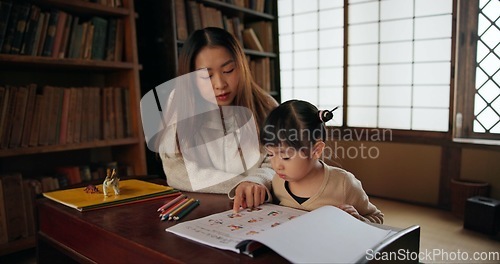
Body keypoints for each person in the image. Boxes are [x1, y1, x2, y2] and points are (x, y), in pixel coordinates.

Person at [155, 27, 277, 212]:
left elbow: (281, 158)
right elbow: (177, 171)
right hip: (203, 209)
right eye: (206, 76)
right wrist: (242, 185)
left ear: (241, 66)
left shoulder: (265, 104)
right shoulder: (180, 103)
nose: (220, 85)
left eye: (228, 70)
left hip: (262, 207)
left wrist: (258, 180)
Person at [260, 99, 384, 224]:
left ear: (316, 150)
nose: (276, 166)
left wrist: (357, 220)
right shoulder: (278, 182)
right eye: (270, 154)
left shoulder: (343, 184)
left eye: (286, 157)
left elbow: (377, 218)